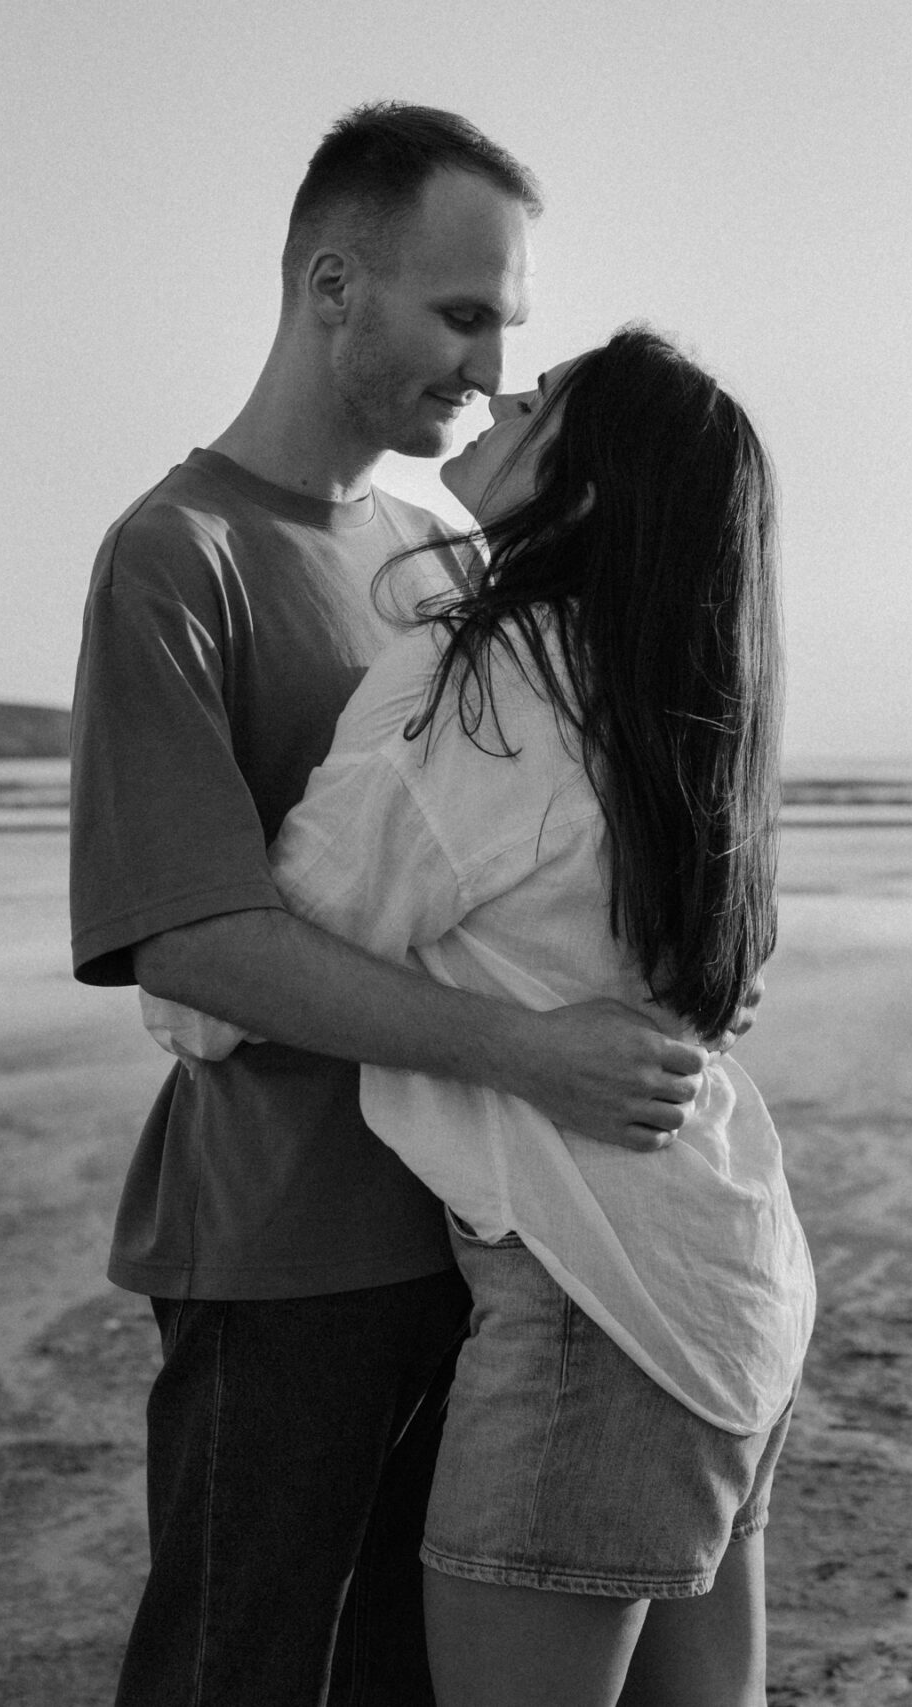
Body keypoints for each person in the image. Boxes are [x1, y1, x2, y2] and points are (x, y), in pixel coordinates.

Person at [68, 105, 728, 1707]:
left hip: (492, 1244)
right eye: (462, 313)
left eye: (509, 322)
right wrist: (531, 1050)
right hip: (283, 1247)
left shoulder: (447, 552)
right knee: (241, 1674)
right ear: (333, 285)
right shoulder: (178, 554)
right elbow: (195, 941)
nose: (495, 366)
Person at [145, 327, 810, 1707]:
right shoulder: (675, 698)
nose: (503, 387)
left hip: (590, 1302)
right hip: (730, 1275)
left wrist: (198, 998)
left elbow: (226, 973)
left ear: (592, 482)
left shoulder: (492, 684)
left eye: (548, 396)